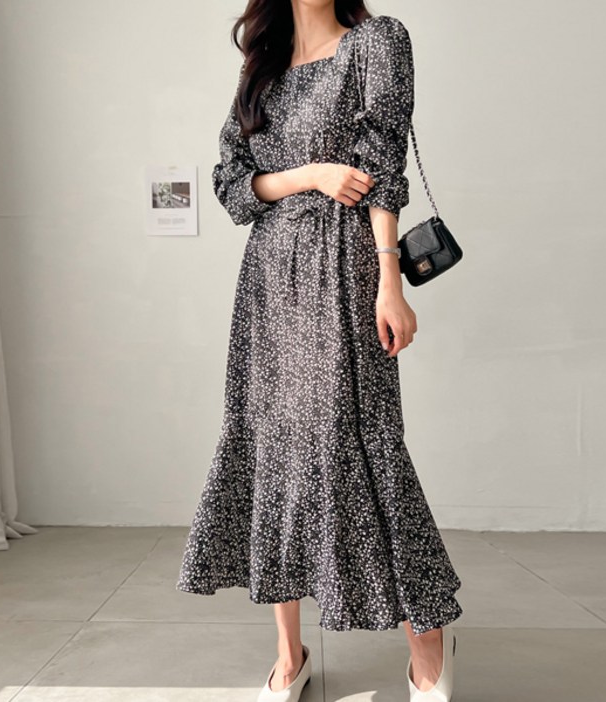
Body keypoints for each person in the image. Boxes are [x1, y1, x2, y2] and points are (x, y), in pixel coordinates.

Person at [176, 2, 463, 700]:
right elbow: (232, 183)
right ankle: (288, 653)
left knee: (359, 443)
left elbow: (384, 163)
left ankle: (428, 639)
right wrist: (310, 174)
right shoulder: (262, 70)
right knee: (272, 448)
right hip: (269, 279)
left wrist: (390, 282)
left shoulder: (377, 42)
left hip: (346, 266)